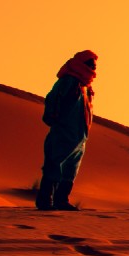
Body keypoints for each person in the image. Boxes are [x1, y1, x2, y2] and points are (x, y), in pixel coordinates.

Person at [37, 50, 98, 211]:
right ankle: (45, 201)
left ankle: (61, 200)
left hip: (79, 137)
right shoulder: (68, 81)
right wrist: (53, 118)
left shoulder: (85, 86)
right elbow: (52, 99)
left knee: (70, 169)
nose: (94, 66)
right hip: (63, 133)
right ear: (81, 63)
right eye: (90, 62)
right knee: (54, 165)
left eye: (94, 63)